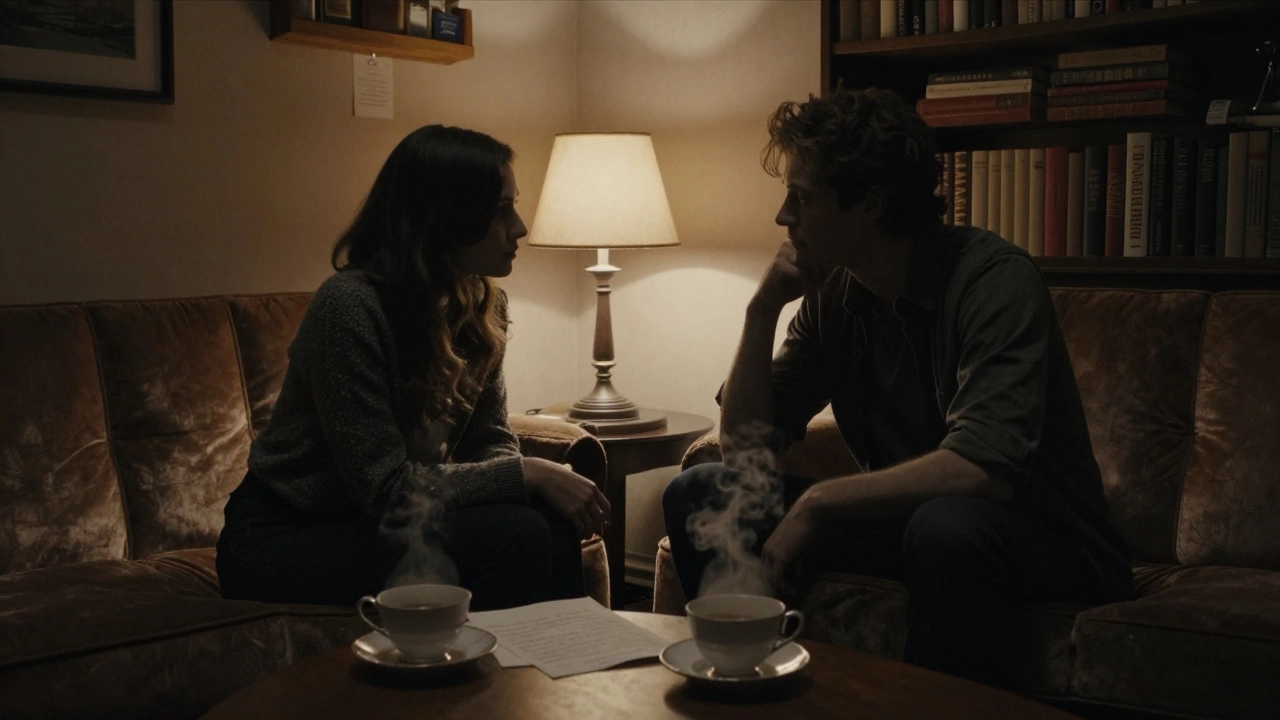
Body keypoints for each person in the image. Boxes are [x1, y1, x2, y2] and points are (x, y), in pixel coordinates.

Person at [662, 88, 1133, 687]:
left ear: (871, 205)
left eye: (802, 198)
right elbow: (747, 454)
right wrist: (761, 313)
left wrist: (817, 503)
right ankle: (743, 682)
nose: (784, 216)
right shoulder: (835, 292)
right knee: (700, 490)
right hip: (915, 523)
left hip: (1048, 540)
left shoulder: (993, 281)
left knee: (947, 524)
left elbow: (981, 469)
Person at [217, 125, 610, 611]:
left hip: (384, 521)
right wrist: (526, 474)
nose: (520, 227)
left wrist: (526, 481)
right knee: (517, 532)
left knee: (548, 522)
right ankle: (506, 682)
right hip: (286, 532)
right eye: (501, 208)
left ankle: (560, 673)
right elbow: (382, 487)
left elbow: (489, 440)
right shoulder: (348, 308)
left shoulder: (483, 304)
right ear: (447, 216)